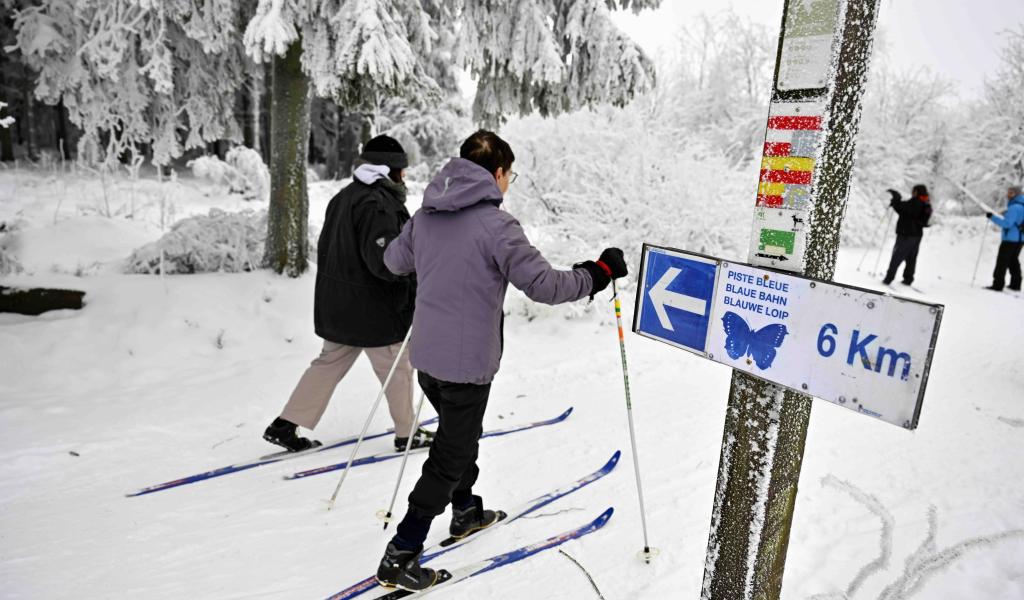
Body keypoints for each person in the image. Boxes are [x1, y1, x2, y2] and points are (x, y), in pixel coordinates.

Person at [373, 130, 627, 591]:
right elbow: (546, 286)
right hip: (467, 365)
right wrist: (599, 272)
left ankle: (465, 510)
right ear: (497, 174)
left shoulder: (426, 216)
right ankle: (402, 550)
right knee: (450, 452)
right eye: (510, 174)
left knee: (457, 435)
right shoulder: (496, 225)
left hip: (426, 357)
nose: (509, 182)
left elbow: (392, 262)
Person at [263, 135, 433, 453]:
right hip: (373, 309)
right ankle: (407, 433)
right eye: (401, 170)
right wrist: (415, 270)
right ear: (389, 171)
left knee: (329, 362)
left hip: (340, 304)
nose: (404, 176)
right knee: (398, 365)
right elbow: (385, 262)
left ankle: (284, 425)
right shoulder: (377, 205)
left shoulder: (345, 197)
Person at [882, 184, 932, 287]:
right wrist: (897, 202)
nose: (912, 192)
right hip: (917, 235)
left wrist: (896, 199)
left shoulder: (916, 202)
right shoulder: (925, 202)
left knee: (897, 255)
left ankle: (889, 278)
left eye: (913, 190)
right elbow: (905, 210)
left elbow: (903, 208)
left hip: (907, 234)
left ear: (916, 191)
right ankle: (908, 278)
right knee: (911, 257)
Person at [984, 185, 1024, 292]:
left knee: (1002, 261)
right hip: (1020, 240)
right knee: (1013, 261)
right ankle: (1016, 284)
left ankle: (997, 284)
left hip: (1010, 239)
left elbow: (1007, 224)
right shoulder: (1022, 206)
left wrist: (992, 217)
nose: (1008, 194)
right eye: (1008, 192)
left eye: (1011, 193)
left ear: (1017, 194)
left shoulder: (1014, 208)